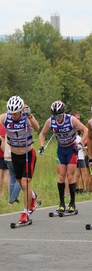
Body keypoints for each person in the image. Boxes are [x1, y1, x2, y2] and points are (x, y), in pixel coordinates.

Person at [38, 101, 88, 213]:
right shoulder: (50, 121)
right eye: (55, 116)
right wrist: (42, 145)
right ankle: (61, 203)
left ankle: (72, 203)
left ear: (64, 113)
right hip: (60, 150)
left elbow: (86, 130)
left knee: (70, 176)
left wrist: (81, 144)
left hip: (71, 149)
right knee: (61, 176)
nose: (58, 118)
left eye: (59, 116)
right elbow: (42, 134)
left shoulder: (71, 120)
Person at [0, 96, 40, 224]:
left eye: (16, 113)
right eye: (12, 113)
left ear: (21, 111)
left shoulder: (25, 117)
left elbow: (37, 127)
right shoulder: (5, 117)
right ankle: (32, 197)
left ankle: (25, 212)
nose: (14, 115)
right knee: (20, 182)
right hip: (15, 155)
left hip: (28, 154)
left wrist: (30, 116)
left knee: (26, 182)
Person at [3, 134, 21, 204]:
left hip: (7, 156)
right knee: (20, 178)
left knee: (12, 178)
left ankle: (11, 198)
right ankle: (13, 199)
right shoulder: (16, 131)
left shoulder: (8, 130)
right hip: (14, 156)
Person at [0, 124, 9, 199]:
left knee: (2, 175)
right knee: (7, 174)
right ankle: (11, 195)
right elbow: (1, 141)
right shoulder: (1, 127)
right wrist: (6, 152)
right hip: (2, 155)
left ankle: (1, 194)